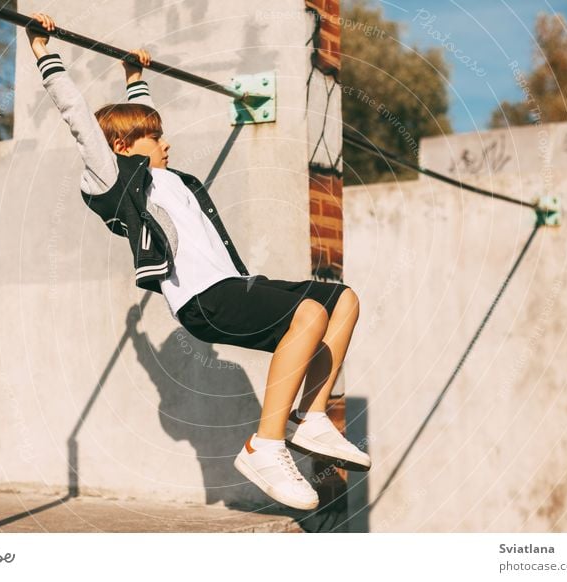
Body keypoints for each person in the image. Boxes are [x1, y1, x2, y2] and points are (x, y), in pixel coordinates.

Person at [27, 13, 370, 511]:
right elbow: (81, 119)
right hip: (201, 300)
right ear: (121, 148)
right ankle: (265, 447)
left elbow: (143, 123)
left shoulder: (170, 176)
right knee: (309, 315)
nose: (166, 143)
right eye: (153, 139)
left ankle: (311, 417)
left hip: (234, 283)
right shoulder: (113, 179)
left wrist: (135, 78)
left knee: (340, 300)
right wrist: (44, 52)